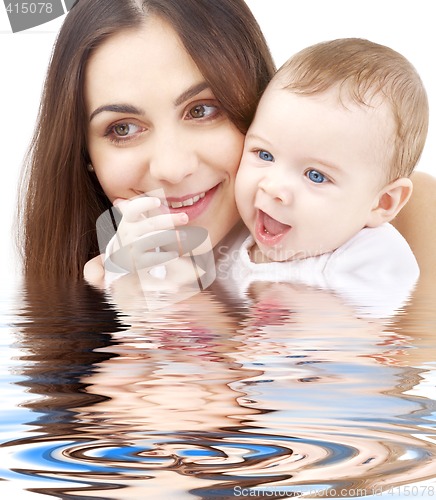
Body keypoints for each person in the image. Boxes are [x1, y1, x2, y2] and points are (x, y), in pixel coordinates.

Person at [17, 0, 436, 284]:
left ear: (253, 101)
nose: (172, 168)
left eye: (202, 109)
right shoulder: (93, 276)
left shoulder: (400, 222)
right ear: (84, 155)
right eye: (123, 128)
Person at [226, 38, 428, 315]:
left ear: (383, 202)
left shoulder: (371, 257)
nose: (274, 188)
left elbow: (370, 341)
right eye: (264, 155)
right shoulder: (232, 237)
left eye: (316, 176)